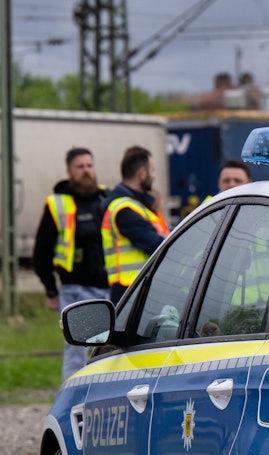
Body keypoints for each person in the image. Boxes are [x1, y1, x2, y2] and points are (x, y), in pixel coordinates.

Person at [33, 147, 110, 381]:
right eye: (80, 167)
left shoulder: (107, 199)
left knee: (108, 351)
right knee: (77, 351)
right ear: (69, 171)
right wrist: (50, 290)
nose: (86, 171)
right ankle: (73, 401)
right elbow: (41, 253)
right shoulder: (58, 205)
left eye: (89, 165)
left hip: (109, 289)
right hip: (75, 289)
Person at [101, 146, 169, 304]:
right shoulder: (124, 210)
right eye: (152, 170)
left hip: (139, 288)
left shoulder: (137, 205)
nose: (154, 175)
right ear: (142, 173)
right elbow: (157, 245)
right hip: (129, 292)